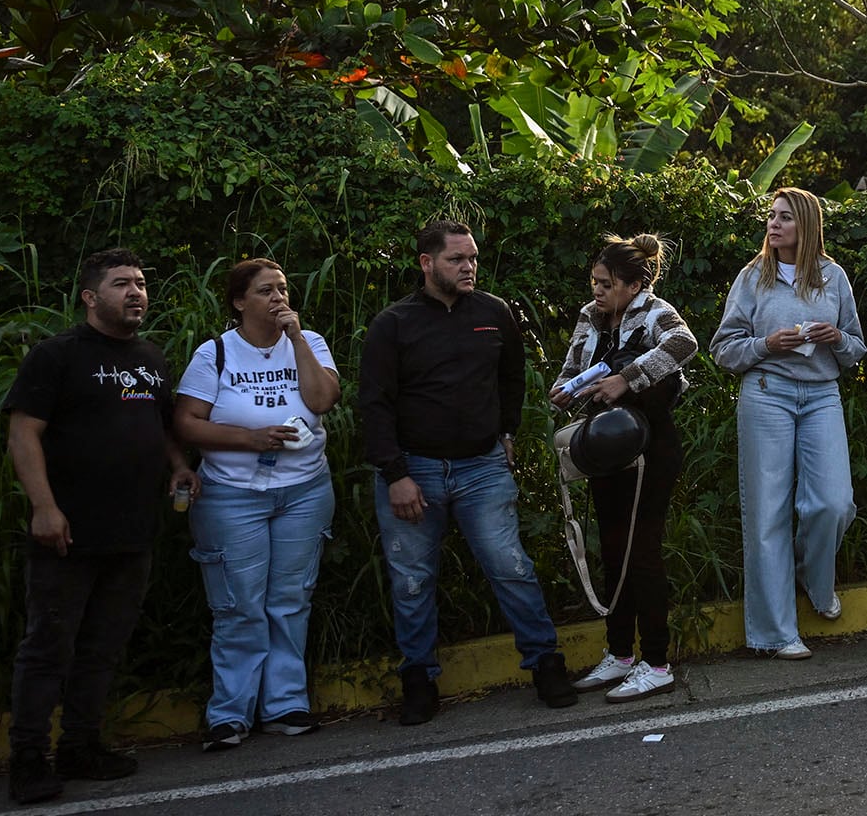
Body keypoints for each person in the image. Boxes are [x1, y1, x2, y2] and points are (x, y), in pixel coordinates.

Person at [359, 219, 578, 724]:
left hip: (482, 466)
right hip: (413, 470)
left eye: (473, 257)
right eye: (457, 258)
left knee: (511, 567)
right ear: (426, 263)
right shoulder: (393, 324)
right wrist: (395, 474)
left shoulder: (494, 313)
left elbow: (513, 377)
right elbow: (374, 403)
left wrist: (507, 432)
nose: (468, 266)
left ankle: (546, 664)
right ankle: (418, 679)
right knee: (412, 583)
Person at [2, 248, 200, 804]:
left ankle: (81, 747)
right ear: (90, 297)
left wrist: (179, 464)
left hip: (132, 530)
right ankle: (27, 759)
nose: (136, 292)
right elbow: (24, 434)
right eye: (121, 284)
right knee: (49, 647)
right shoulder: (56, 356)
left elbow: (160, 427)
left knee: (104, 646)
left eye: (140, 283)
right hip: (67, 531)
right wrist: (44, 506)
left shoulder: (150, 359)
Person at [174, 259, 341, 751]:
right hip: (232, 495)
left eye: (283, 289)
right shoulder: (216, 354)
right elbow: (186, 423)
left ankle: (286, 704)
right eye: (265, 291)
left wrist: (297, 340)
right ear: (239, 302)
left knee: (290, 601)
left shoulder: (308, 343)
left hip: (305, 491)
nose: (278, 298)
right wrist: (249, 439)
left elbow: (323, 399)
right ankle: (230, 713)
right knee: (238, 606)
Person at [710, 188, 867, 659]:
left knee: (833, 504)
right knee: (767, 515)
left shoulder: (833, 277)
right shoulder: (752, 277)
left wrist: (837, 337)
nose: (774, 225)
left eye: (785, 218)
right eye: (771, 217)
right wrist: (765, 345)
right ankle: (776, 634)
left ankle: (813, 580)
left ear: (807, 225)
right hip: (766, 395)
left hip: (821, 396)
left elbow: (856, 349)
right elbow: (722, 348)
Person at [552, 234, 700, 701]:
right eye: (594, 280)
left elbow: (685, 343)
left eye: (606, 283)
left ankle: (657, 661)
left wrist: (627, 379)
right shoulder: (589, 316)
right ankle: (619, 654)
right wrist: (565, 392)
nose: (596, 289)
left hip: (651, 443)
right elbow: (569, 367)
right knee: (612, 548)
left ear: (634, 285)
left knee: (643, 550)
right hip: (605, 444)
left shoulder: (655, 311)